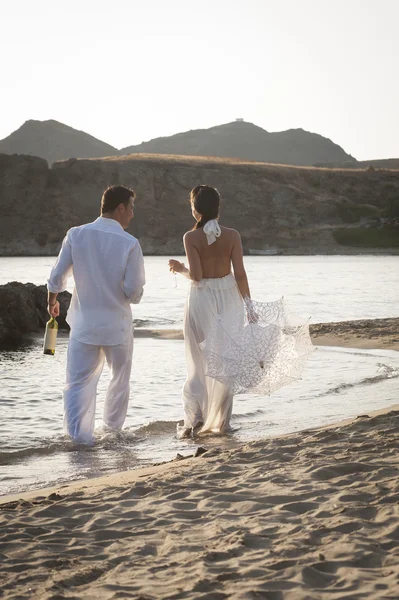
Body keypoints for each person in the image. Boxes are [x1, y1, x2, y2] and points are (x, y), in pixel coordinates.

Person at [47, 185, 145, 444]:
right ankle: (112, 433)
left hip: (84, 325)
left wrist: (52, 302)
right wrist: (122, 293)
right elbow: (134, 291)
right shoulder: (130, 243)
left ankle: (79, 438)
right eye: (131, 208)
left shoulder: (76, 235)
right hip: (117, 326)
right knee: (119, 380)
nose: (132, 214)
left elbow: (57, 277)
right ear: (120, 208)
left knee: (77, 383)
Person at [168, 185, 251, 437]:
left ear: (195, 210)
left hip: (202, 299)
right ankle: (222, 423)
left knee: (198, 360)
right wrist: (250, 306)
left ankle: (195, 421)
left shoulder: (190, 237)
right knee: (225, 360)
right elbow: (240, 274)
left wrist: (180, 268)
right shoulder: (233, 235)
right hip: (229, 299)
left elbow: (197, 276)